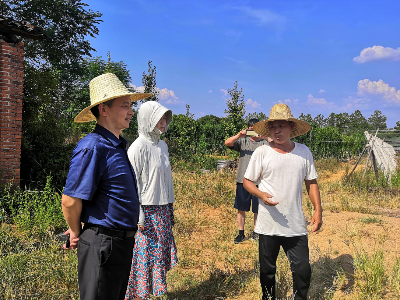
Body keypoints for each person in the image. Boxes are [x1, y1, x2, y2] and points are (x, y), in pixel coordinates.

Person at [61, 73, 150, 300]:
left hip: (119, 244)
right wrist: (74, 230)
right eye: (125, 105)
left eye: (131, 105)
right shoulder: (93, 147)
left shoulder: (116, 145)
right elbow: (70, 200)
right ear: (104, 109)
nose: (131, 111)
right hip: (103, 244)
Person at [243, 103, 323, 300]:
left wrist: (318, 210)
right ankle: (268, 297)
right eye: (273, 127)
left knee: (302, 268)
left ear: (291, 128)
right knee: (267, 270)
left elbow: (311, 182)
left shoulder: (303, 152)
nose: (277, 131)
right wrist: (261, 195)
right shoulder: (262, 153)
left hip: (295, 223)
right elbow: (247, 181)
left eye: (281, 126)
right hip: (268, 223)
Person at [125, 101, 178, 300]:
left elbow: (165, 179)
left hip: (162, 209)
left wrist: (170, 208)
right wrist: (138, 215)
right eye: (159, 118)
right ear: (148, 119)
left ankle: (156, 292)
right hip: (146, 212)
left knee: (158, 256)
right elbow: (132, 184)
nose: (163, 122)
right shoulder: (137, 148)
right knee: (144, 256)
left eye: (165, 118)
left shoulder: (162, 145)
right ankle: (139, 295)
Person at [225, 119, 270, 244]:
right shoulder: (242, 141)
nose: (253, 132)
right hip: (242, 180)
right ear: (248, 129)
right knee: (241, 208)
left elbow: (276, 143)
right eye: (251, 129)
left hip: (259, 182)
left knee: (257, 209)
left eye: (256, 129)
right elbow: (227, 142)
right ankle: (241, 233)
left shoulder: (264, 143)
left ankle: (256, 232)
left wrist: (265, 136)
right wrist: (240, 135)